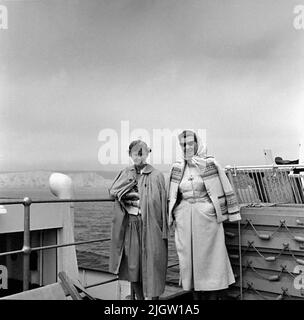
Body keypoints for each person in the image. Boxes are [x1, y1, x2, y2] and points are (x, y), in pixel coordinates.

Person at [167, 130, 241, 300]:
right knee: (188, 259)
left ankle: (213, 295)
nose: (187, 147)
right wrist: (174, 214)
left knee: (211, 258)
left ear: (197, 144)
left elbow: (224, 185)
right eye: (183, 144)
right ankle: (194, 297)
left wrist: (225, 211)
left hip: (207, 218)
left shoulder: (210, 163)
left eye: (190, 143)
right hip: (185, 218)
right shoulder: (177, 166)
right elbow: (171, 194)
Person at [108, 140, 168, 300]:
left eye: (142, 153)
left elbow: (161, 206)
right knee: (133, 266)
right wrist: (133, 196)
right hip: (131, 225)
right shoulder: (125, 173)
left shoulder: (157, 176)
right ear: (130, 154)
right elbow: (114, 191)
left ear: (148, 153)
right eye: (135, 153)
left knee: (153, 264)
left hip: (151, 225)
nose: (139, 156)